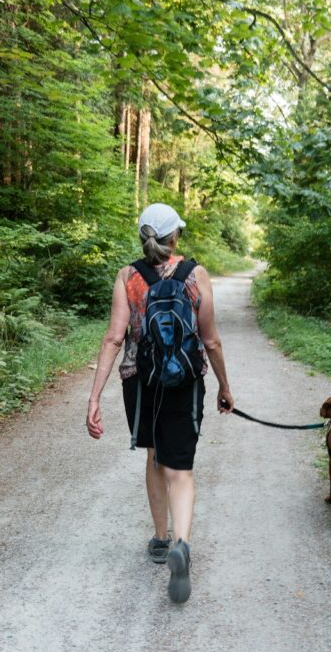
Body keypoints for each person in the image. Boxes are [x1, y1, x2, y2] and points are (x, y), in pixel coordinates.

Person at [86, 202, 233, 604]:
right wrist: (224, 386)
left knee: (154, 455)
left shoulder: (127, 276)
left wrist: (94, 396)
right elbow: (211, 340)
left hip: (142, 382)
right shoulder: (196, 274)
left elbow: (115, 338)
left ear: (143, 237)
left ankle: (159, 537)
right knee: (180, 468)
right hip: (185, 382)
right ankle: (181, 544)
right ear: (175, 237)